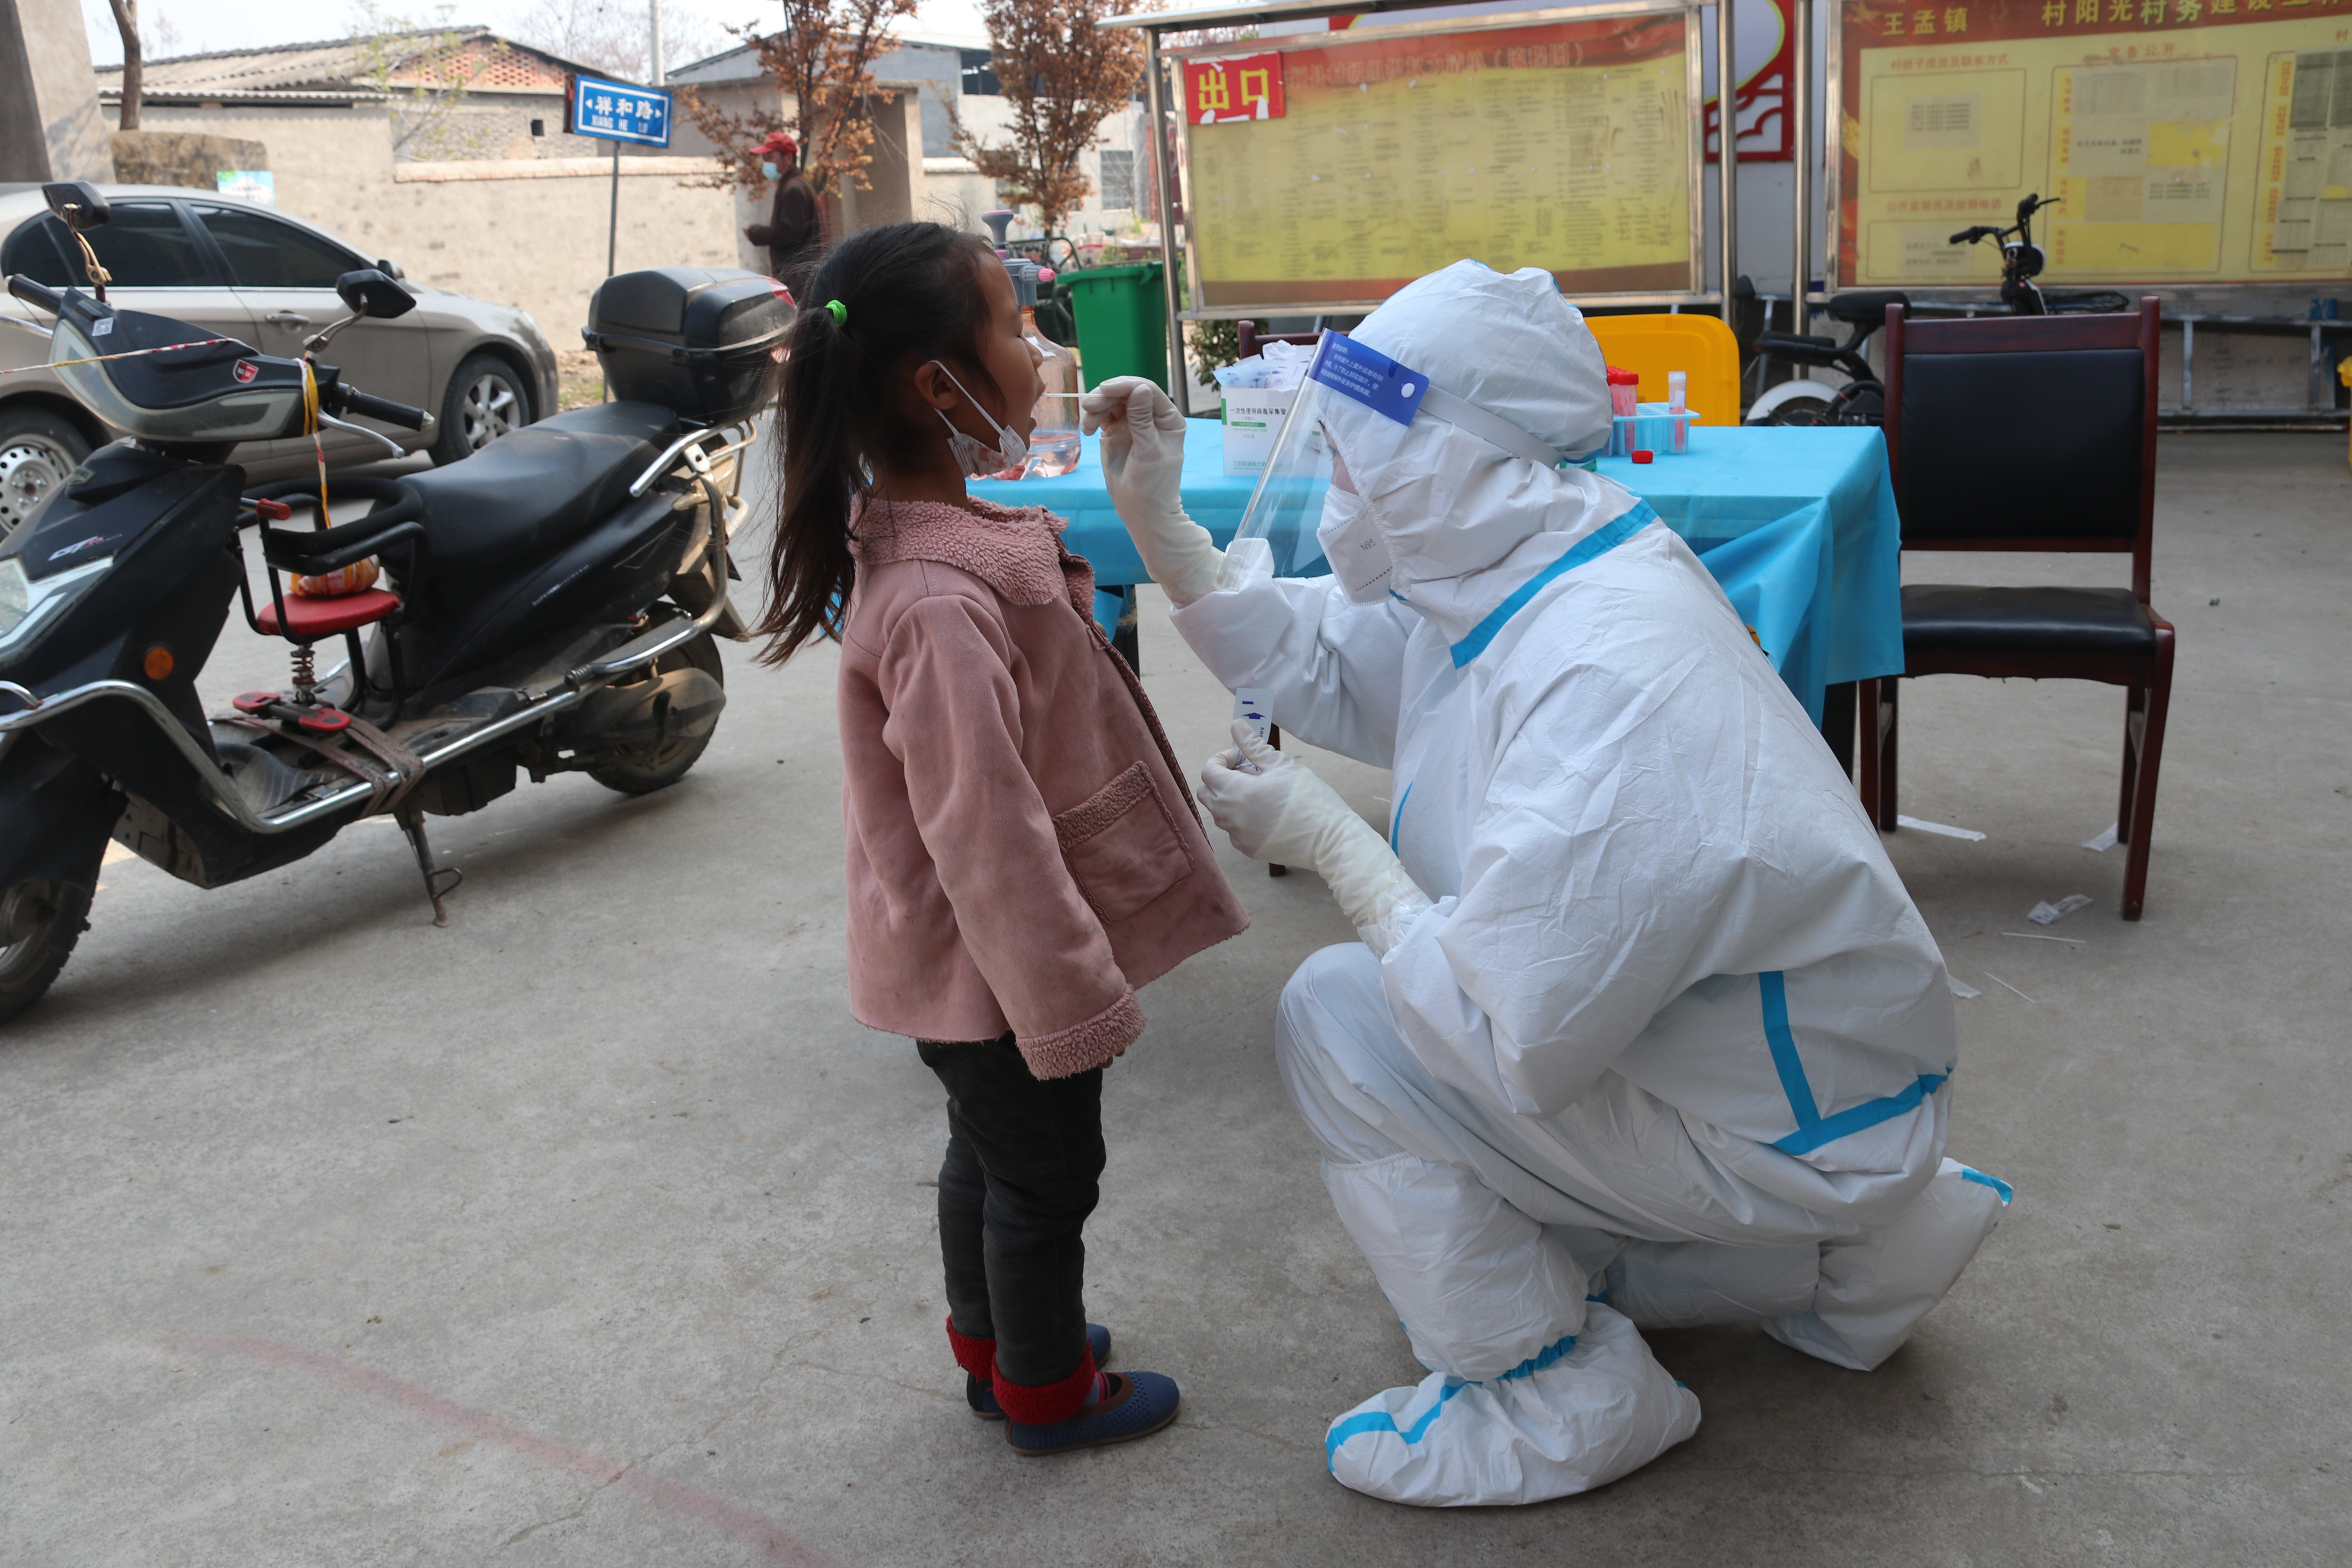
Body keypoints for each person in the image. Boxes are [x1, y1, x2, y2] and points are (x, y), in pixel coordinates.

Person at [1080, 261, 2010, 1506]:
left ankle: (1553, 1393)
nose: (1338, 492)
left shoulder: (1608, 678)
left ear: (1454, 460)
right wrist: (1169, 538)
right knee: (1525, 1191)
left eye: (1361, 459)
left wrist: (1333, 843)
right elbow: (1355, 664)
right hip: (1799, 1082)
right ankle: (1860, 1256)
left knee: (1341, 1017)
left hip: (1776, 1124)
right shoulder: (1528, 566)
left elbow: (1503, 1034)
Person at [762, 221, 1249, 1456]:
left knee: (986, 1156)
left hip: (967, 968)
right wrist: (1067, 996)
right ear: (939, 384)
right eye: (1014, 325)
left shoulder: (950, 545)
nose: (1039, 352)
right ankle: (1041, 1388)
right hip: (1001, 963)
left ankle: (992, 1343)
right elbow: (983, 828)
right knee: (1044, 1177)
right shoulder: (937, 599)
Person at [744, 131, 823, 292]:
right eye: (764, 159)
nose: (766, 164)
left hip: (797, 278)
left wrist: (756, 233)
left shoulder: (793, 189)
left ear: (788, 158)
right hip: (799, 275)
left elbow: (789, 233)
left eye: (771, 158)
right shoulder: (793, 185)